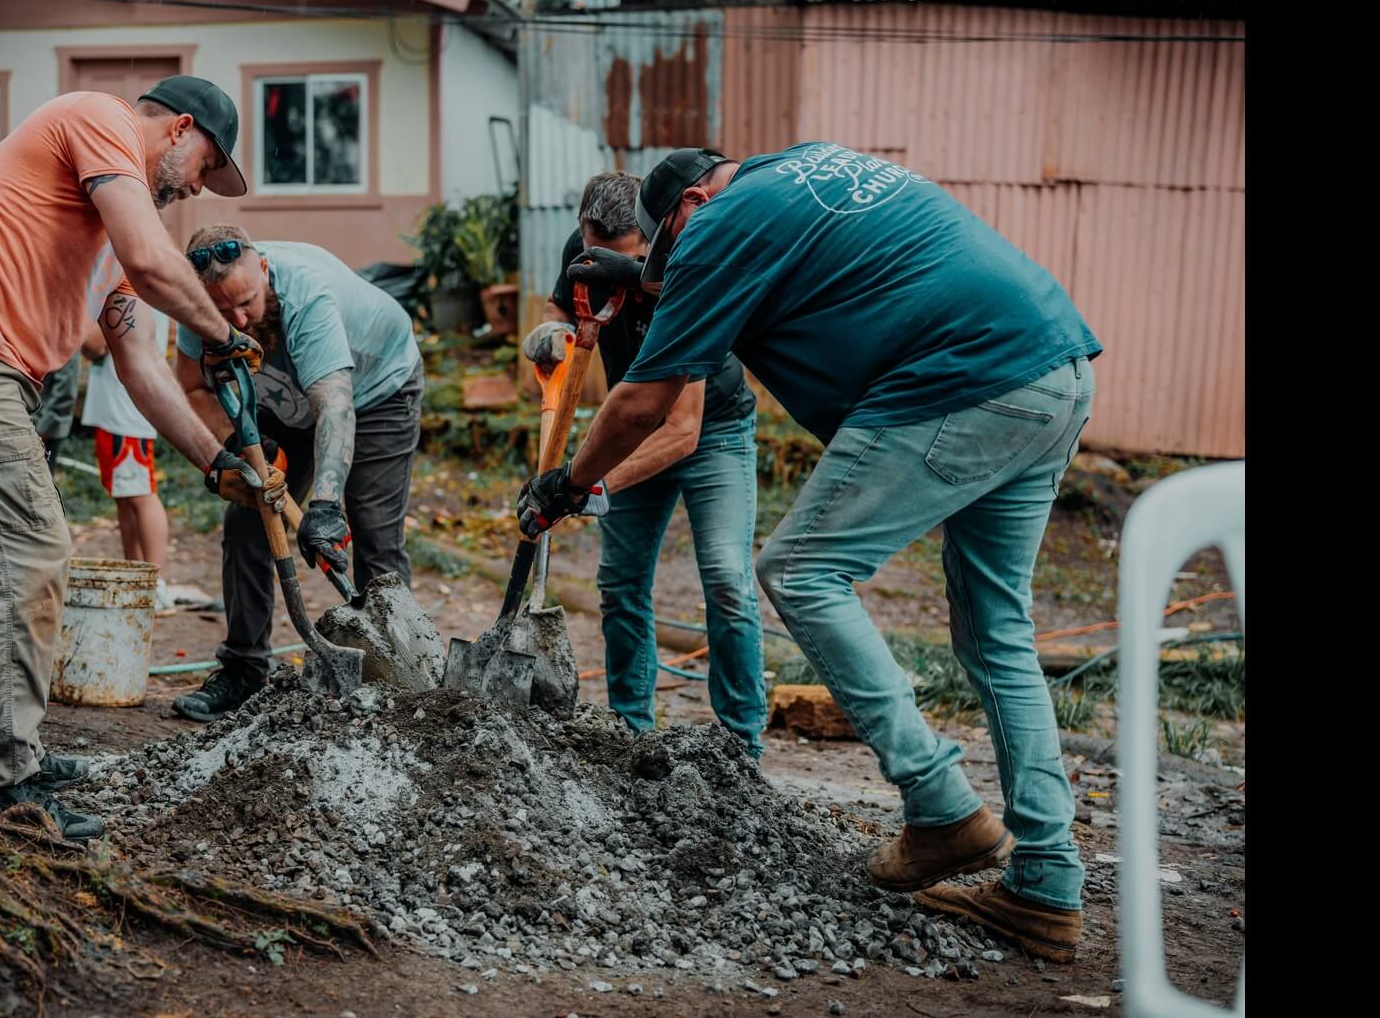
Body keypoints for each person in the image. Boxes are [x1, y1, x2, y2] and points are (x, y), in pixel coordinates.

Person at [515, 142, 1102, 962]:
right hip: (1053, 364)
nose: (675, 264)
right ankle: (1047, 885)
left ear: (688, 208)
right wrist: (642, 282)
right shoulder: (803, 167)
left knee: (798, 570)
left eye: (669, 249)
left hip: (959, 379)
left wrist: (567, 485)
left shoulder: (717, 225)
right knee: (998, 634)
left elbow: (647, 401)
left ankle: (939, 802)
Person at [0, 76, 270, 840]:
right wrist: (221, 331)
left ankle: (9, 752)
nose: (194, 190)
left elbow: (141, 367)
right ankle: (4, 783)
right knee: (27, 559)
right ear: (179, 129)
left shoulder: (113, 241)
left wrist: (215, 462)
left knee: (16, 562)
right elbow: (157, 264)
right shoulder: (98, 118)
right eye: (204, 166)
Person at [521, 165, 765, 755]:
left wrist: (590, 484)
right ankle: (632, 733)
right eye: (594, 250)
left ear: (651, 239)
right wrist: (549, 335)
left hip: (712, 429)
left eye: (625, 256)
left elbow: (682, 431)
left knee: (728, 582)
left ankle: (741, 747)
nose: (604, 263)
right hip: (630, 422)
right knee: (621, 583)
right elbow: (560, 312)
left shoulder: (686, 253)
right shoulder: (584, 249)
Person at [169, 225, 424, 722]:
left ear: (263, 268)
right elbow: (192, 388)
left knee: (373, 531)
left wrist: (325, 506)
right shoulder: (196, 306)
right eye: (224, 312)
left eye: (247, 302)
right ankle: (243, 671)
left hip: (375, 394)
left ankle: (400, 676)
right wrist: (236, 446)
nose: (239, 319)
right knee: (246, 521)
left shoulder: (308, 296)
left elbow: (335, 408)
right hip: (283, 405)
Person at [79, 243, 173, 609]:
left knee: (140, 493)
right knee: (125, 495)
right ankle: (135, 573)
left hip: (125, 409)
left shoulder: (126, 279)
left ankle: (155, 580)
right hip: (116, 407)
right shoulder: (130, 275)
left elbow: (92, 344)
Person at [32, 356, 83, 472]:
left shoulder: (66, 340)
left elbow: (65, 392)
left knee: (39, 482)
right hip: (32, 424)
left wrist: (43, 430)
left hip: (43, 429)